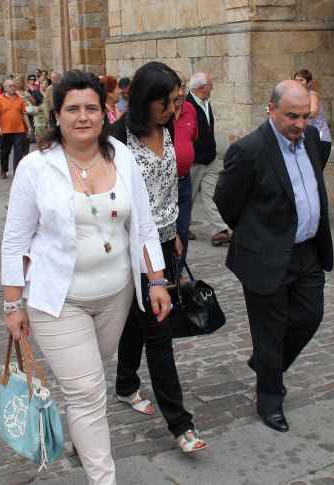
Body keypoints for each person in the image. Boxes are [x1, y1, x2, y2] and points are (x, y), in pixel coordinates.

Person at [1, 69, 170, 485]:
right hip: (58, 300)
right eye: (72, 109)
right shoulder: (35, 167)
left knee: (91, 377)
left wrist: (157, 280)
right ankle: (103, 478)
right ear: (56, 115)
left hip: (116, 294)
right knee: (87, 391)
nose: (82, 117)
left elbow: (144, 226)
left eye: (91, 108)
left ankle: (82, 436)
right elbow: (15, 241)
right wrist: (12, 304)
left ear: (104, 111)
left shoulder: (121, 155)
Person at [215, 80, 334, 433]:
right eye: (292, 116)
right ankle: (270, 400)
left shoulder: (311, 139)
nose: (299, 124)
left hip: (308, 251)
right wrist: (257, 234)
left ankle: (266, 363)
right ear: (271, 109)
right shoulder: (250, 150)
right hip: (266, 255)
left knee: (310, 315)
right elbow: (226, 201)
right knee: (269, 331)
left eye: (306, 116)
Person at [110, 61, 208, 453]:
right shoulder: (117, 139)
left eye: (176, 101)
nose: (174, 109)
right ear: (145, 100)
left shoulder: (166, 128)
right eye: (166, 102)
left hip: (165, 243)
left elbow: (171, 187)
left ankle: (124, 385)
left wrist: (176, 237)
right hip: (132, 248)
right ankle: (181, 425)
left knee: (140, 321)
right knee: (158, 330)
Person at [186, 72, 231, 246]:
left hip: (210, 159)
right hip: (194, 161)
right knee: (187, 198)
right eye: (210, 85)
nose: (212, 87)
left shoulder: (206, 103)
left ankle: (219, 230)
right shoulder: (187, 105)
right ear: (201, 87)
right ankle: (181, 227)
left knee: (213, 195)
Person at [172, 70, 199, 276]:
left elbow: (191, 140)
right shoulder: (161, 114)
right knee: (167, 233)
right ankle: (164, 275)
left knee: (183, 230)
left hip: (185, 181)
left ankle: (178, 273)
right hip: (165, 185)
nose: (181, 92)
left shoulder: (190, 109)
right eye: (177, 87)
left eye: (183, 86)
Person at [0, 78, 32, 179]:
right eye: (10, 86)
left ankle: (17, 172)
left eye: (14, 86)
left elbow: (24, 115)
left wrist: (29, 128)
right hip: (4, 131)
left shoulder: (19, 99)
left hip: (19, 130)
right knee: (5, 152)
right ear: (5, 88)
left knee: (18, 152)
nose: (13, 88)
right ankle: (3, 169)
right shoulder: (0, 99)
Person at [294, 69, 332, 165]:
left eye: (301, 80)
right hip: (305, 139)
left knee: (315, 174)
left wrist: (294, 112)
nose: (298, 83)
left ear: (309, 83)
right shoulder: (296, 98)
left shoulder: (312, 95)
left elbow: (313, 112)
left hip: (320, 139)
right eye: (296, 80)